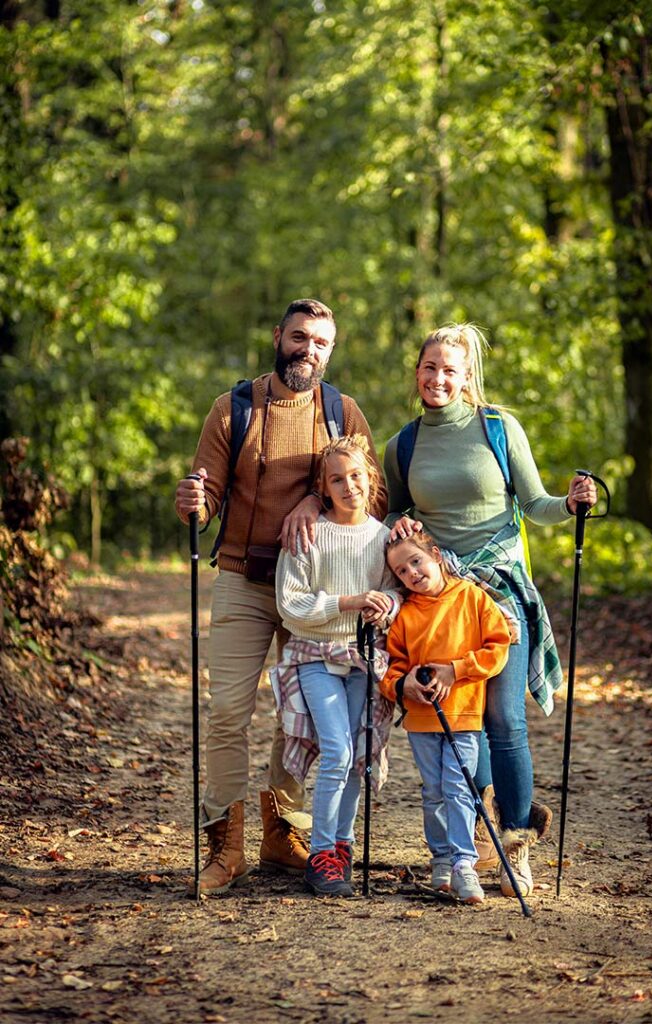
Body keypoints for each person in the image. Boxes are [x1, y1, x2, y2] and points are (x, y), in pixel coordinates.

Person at [174, 298, 387, 895]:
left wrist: (314, 501)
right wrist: (193, 504)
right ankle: (225, 844)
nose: (308, 351)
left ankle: (281, 832)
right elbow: (207, 492)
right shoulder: (233, 408)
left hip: (318, 591)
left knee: (299, 723)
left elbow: (371, 493)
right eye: (299, 338)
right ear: (278, 337)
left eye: (320, 343)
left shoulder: (343, 412)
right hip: (243, 579)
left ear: (331, 350)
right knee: (226, 713)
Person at [384, 323, 596, 897]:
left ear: (467, 377)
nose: (438, 378)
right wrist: (397, 525)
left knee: (503, 717)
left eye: (450, 370)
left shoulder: (498, 427)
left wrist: (572, 502)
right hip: (439, 600)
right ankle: (485, 835)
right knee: (463, 724)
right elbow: (393, 521)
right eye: (429, 368)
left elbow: (537, 505)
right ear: (418, 372)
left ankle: (517, 843)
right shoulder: (402, 444)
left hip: (499, 593)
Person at [272, 434, 399, 897]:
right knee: (338, 750)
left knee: (358, 756)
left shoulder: (382, 537)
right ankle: (321, 851)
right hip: (315, 656)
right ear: (323, 489)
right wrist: (348, 601)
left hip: (363, 659)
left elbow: (397, 590)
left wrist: (387, 603)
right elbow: (291, 605)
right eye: (337, 480)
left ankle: (341, 846)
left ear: (371, 480)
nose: (349, 487)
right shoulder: (309, 534)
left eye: (357, 477)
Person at [380, 529, 510, 904]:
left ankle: (463, 864)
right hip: (422, 720)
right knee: (433, 790)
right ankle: (440, 859)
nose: (412, 574)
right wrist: (404, 685)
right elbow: (392, 671)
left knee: (458, 788)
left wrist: (457, 669)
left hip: (463, 716)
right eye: (402, 572)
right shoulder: (405, 616)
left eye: (416, 562)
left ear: (435, 555)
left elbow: (498, 647)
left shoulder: (472, 598)